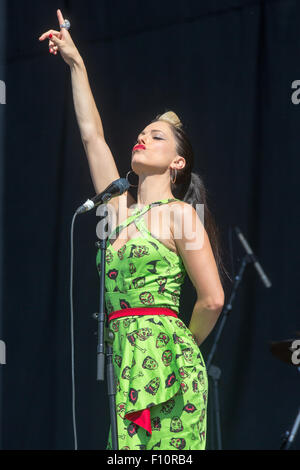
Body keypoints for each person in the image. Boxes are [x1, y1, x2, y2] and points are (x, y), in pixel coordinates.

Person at [39, 9, 226, 450]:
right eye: (141, 134)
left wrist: (179, 347)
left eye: (157, 136)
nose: (142, 138)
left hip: (169, 366)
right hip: (124, 362)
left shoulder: (182, 214)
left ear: (178, 162)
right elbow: (92, 136)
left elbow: (213, 298)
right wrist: (76, 63)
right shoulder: (117, 206)